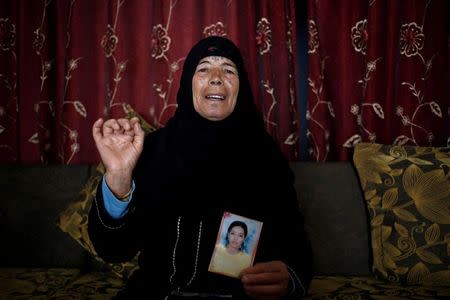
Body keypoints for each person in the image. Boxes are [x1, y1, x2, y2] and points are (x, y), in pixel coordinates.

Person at [88, 36, 313, 299]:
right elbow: (113, 250)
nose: (216, 77)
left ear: (241, 87)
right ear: (188, 84)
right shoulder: (152, 149)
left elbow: (296, 244)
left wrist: (290, 277)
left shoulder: (267, 156)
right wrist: (118, 177)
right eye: (203, 69)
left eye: (229, 70)